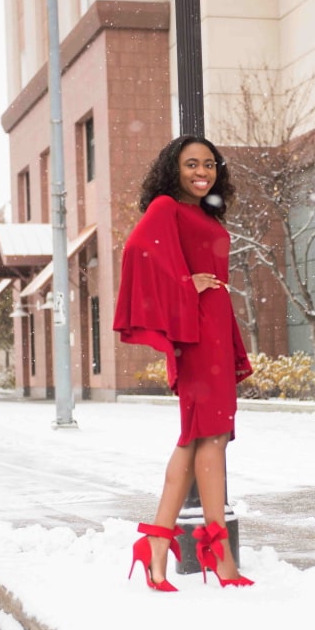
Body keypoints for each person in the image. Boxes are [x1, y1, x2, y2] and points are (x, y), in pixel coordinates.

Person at [113, 136, 254, 591]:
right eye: (192, 164)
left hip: (212, 329)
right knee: (202, 437)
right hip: (195, 336)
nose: (202, 172)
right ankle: (216, 555)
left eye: (210, 164)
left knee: (205, 440)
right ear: (172, 168)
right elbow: (136, 251)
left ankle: (162, 549)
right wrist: (183, 284)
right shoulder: (166, 208)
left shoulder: (204, 214)